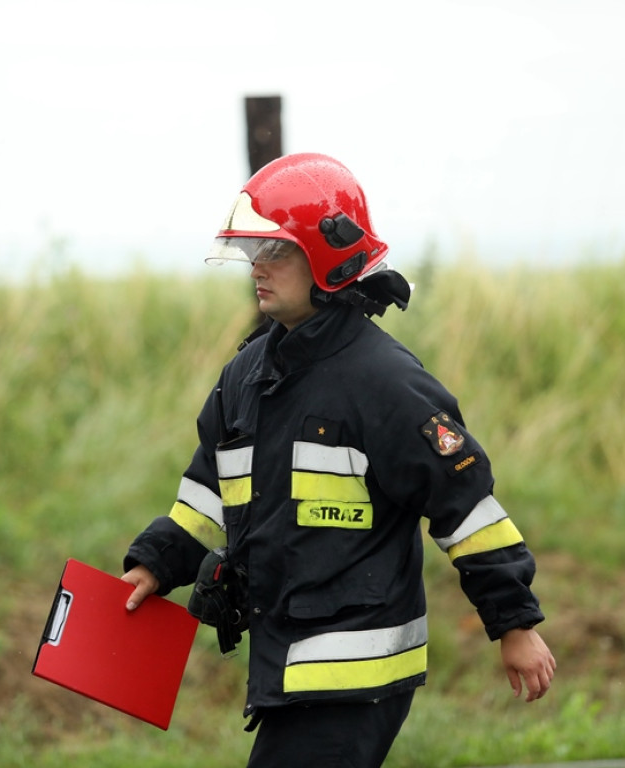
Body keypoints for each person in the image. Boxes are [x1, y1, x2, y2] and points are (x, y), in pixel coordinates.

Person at [121, 153, 556, 767]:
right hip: (287, 663)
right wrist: (154, 566)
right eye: (253, 254)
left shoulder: (386, 384)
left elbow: (467, 509)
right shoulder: (246, 376)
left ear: (327, 258)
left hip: (357, 674)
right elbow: (207, 492)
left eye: (275, 252)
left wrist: (515, 625)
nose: (258, 269)